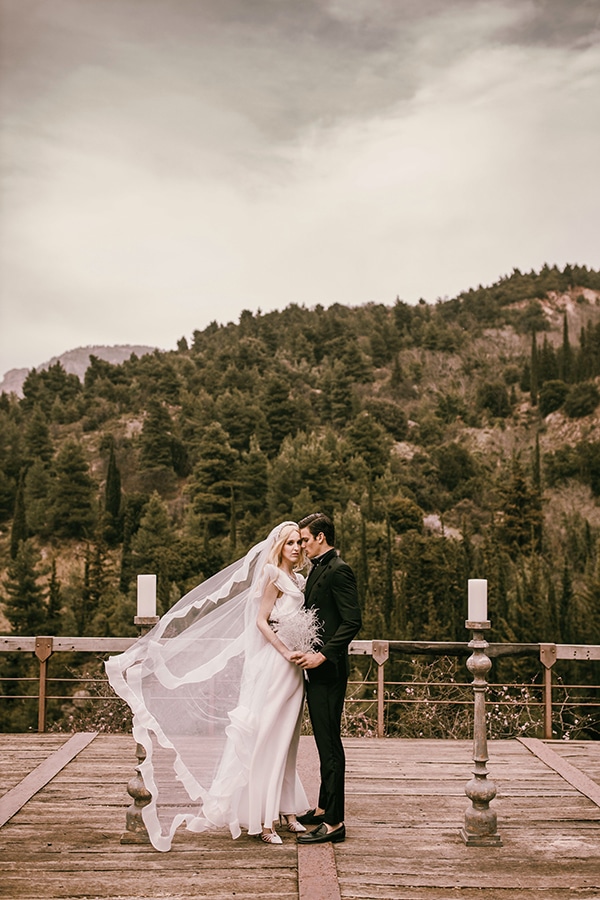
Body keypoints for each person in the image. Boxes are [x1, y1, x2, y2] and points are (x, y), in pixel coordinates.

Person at [105, 522, 314, 850]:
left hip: (295, 670)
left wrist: (303, 643)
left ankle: (287, 809)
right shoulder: (272, 575)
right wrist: (286, 649)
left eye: (299, 543)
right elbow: (261, 621)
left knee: (287, 740)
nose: (296, 548)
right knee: (265, 738)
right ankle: (264, 819)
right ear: (278, 546)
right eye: (290, 542)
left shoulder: (299, 580)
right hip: (276, 664)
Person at [291, 512, 362, 845]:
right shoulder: (320, 570)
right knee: (322, 742)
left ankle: (335, 823)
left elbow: (352, 622)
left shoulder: (339, 570)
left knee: (330, 745)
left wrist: (323, 655)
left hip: (329, 671)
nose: (302, 545)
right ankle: (322, 808)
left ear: (320, 537)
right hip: (314, 671)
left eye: (305, 539)